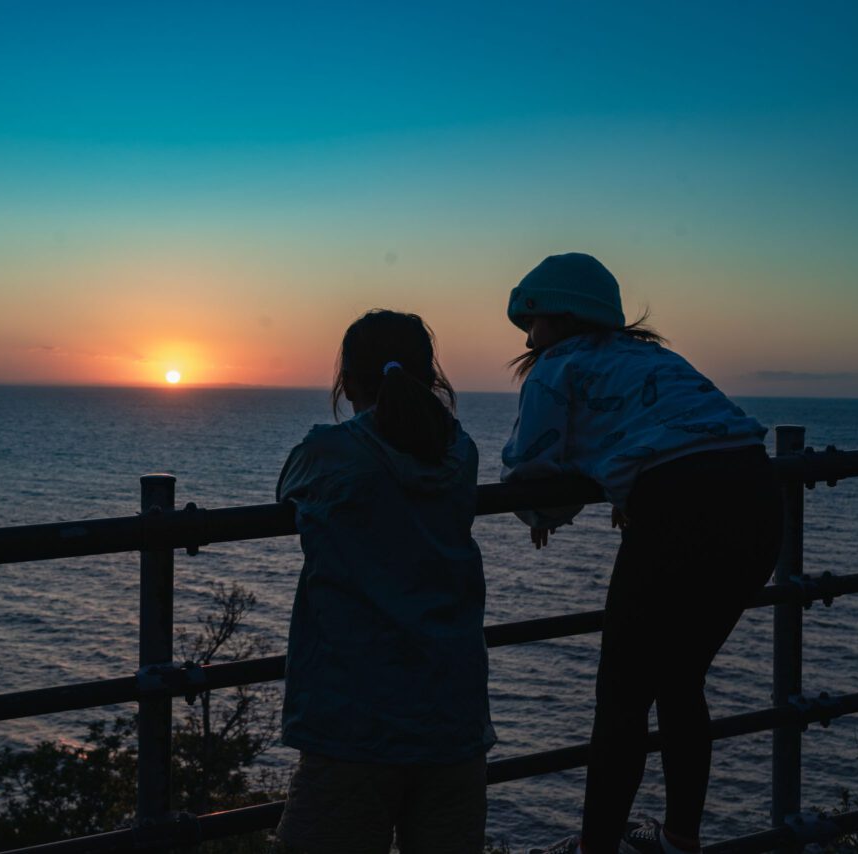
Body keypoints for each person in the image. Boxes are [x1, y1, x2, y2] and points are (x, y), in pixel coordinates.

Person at [500, 253, 783, 854]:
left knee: (622, 698)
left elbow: (530, 462)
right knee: (681, 681)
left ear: (557, 316)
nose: (528, 338)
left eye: (531, 322)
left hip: (678, 508)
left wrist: (544, 514)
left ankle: (595, 847)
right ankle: (680, 841)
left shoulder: (556, 367)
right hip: (760, 499)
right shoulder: (654, 357)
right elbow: (671, 430)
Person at [275, 309, 495, 854]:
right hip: (455, 717)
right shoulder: (461, 453)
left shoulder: (332, 453)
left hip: (355, 721)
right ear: (432, 379)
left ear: (347, 382)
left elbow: (287, 485)